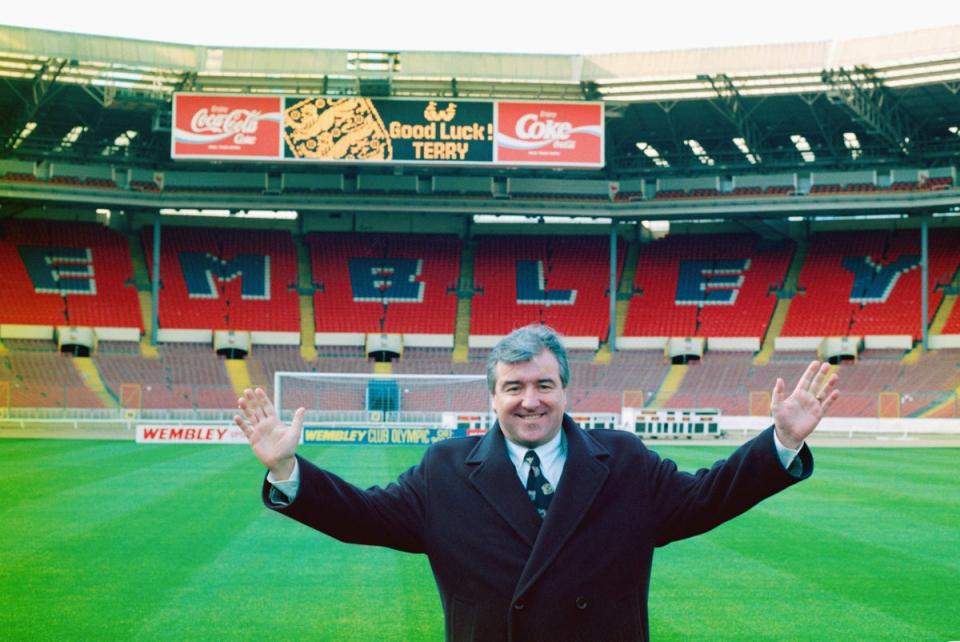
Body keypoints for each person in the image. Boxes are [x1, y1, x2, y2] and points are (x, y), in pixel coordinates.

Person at [235, 324, 838, 641]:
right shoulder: (445, 469)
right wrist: (287, 470)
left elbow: (707, 497)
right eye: (514, 388)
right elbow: (364, 516)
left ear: (565, 390)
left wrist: (781, 442)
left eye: (544, 385)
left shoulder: (624, 462)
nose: (530, 401)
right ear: (492, 396)